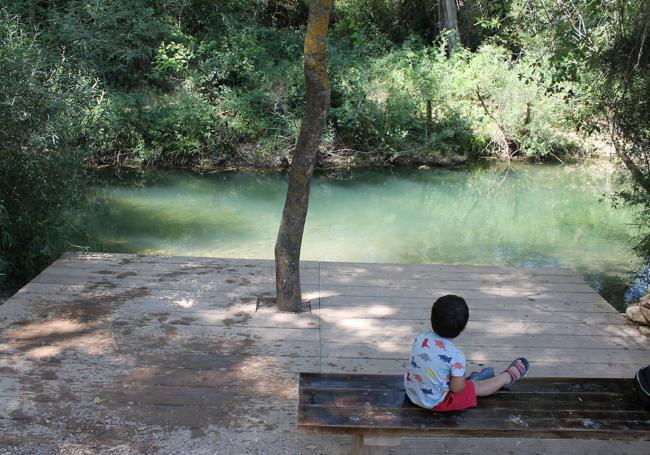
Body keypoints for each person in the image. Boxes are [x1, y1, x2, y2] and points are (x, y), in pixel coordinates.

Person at [404, 294, 529, 411]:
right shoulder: (456, 356)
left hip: (412, 392)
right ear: (463, 328)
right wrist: (462, 381)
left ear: (432, 319)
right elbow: (457, 389)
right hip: (434, 403)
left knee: (452, 376)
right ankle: (506, 377)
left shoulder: (421, 338)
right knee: (474, 387)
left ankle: (472, 378)